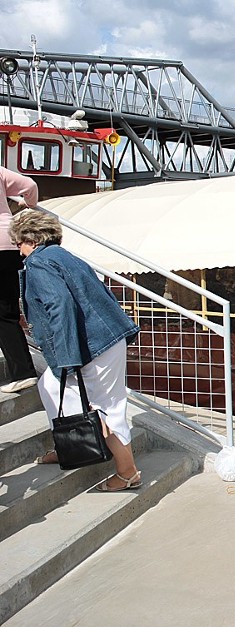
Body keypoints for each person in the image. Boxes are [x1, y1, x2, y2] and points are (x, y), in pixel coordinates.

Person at [10, 210, 142, 491]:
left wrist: (68, 358)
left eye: (19, 243)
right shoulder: (63, 256)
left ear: (31, 239)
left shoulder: (40, 263)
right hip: (103, 340)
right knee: (49, 385)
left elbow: (60, 306)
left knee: (108, 408)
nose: (19, 252)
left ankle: (127, 472)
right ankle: (70, 442)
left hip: (93, 345)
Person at [0, 167, 39, 394]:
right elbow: (30, 186)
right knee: (6, 313)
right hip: (8, 243)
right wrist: (30, 205)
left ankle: (23, 373)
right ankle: (23, 371)